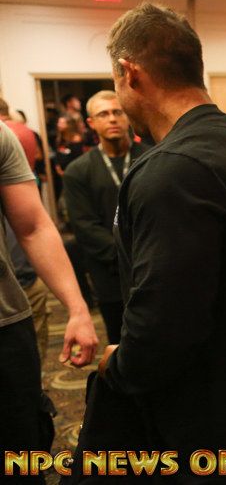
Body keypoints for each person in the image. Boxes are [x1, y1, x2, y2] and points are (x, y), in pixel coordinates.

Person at [69, 2, 226, 480]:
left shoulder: (173, 169)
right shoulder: (225, 140)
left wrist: (118, 365)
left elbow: (165, 327)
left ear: (129, 73)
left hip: (221, 420)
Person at [0, 121, 98, 463]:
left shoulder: (1, 137)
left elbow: (33, 227)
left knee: (20, 450)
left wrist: (77, 308)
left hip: (5, 325)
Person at [63, 91, 150, 345]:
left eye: (117, 112)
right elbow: (84, 226)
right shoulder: (78, 170)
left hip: (152, 268)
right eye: (103, 114)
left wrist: (147, 254)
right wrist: (129, 253)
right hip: (109, 274)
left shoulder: (152, 158)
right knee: (119, 339)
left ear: (127, 116)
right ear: (91, 123)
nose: (112, 119)